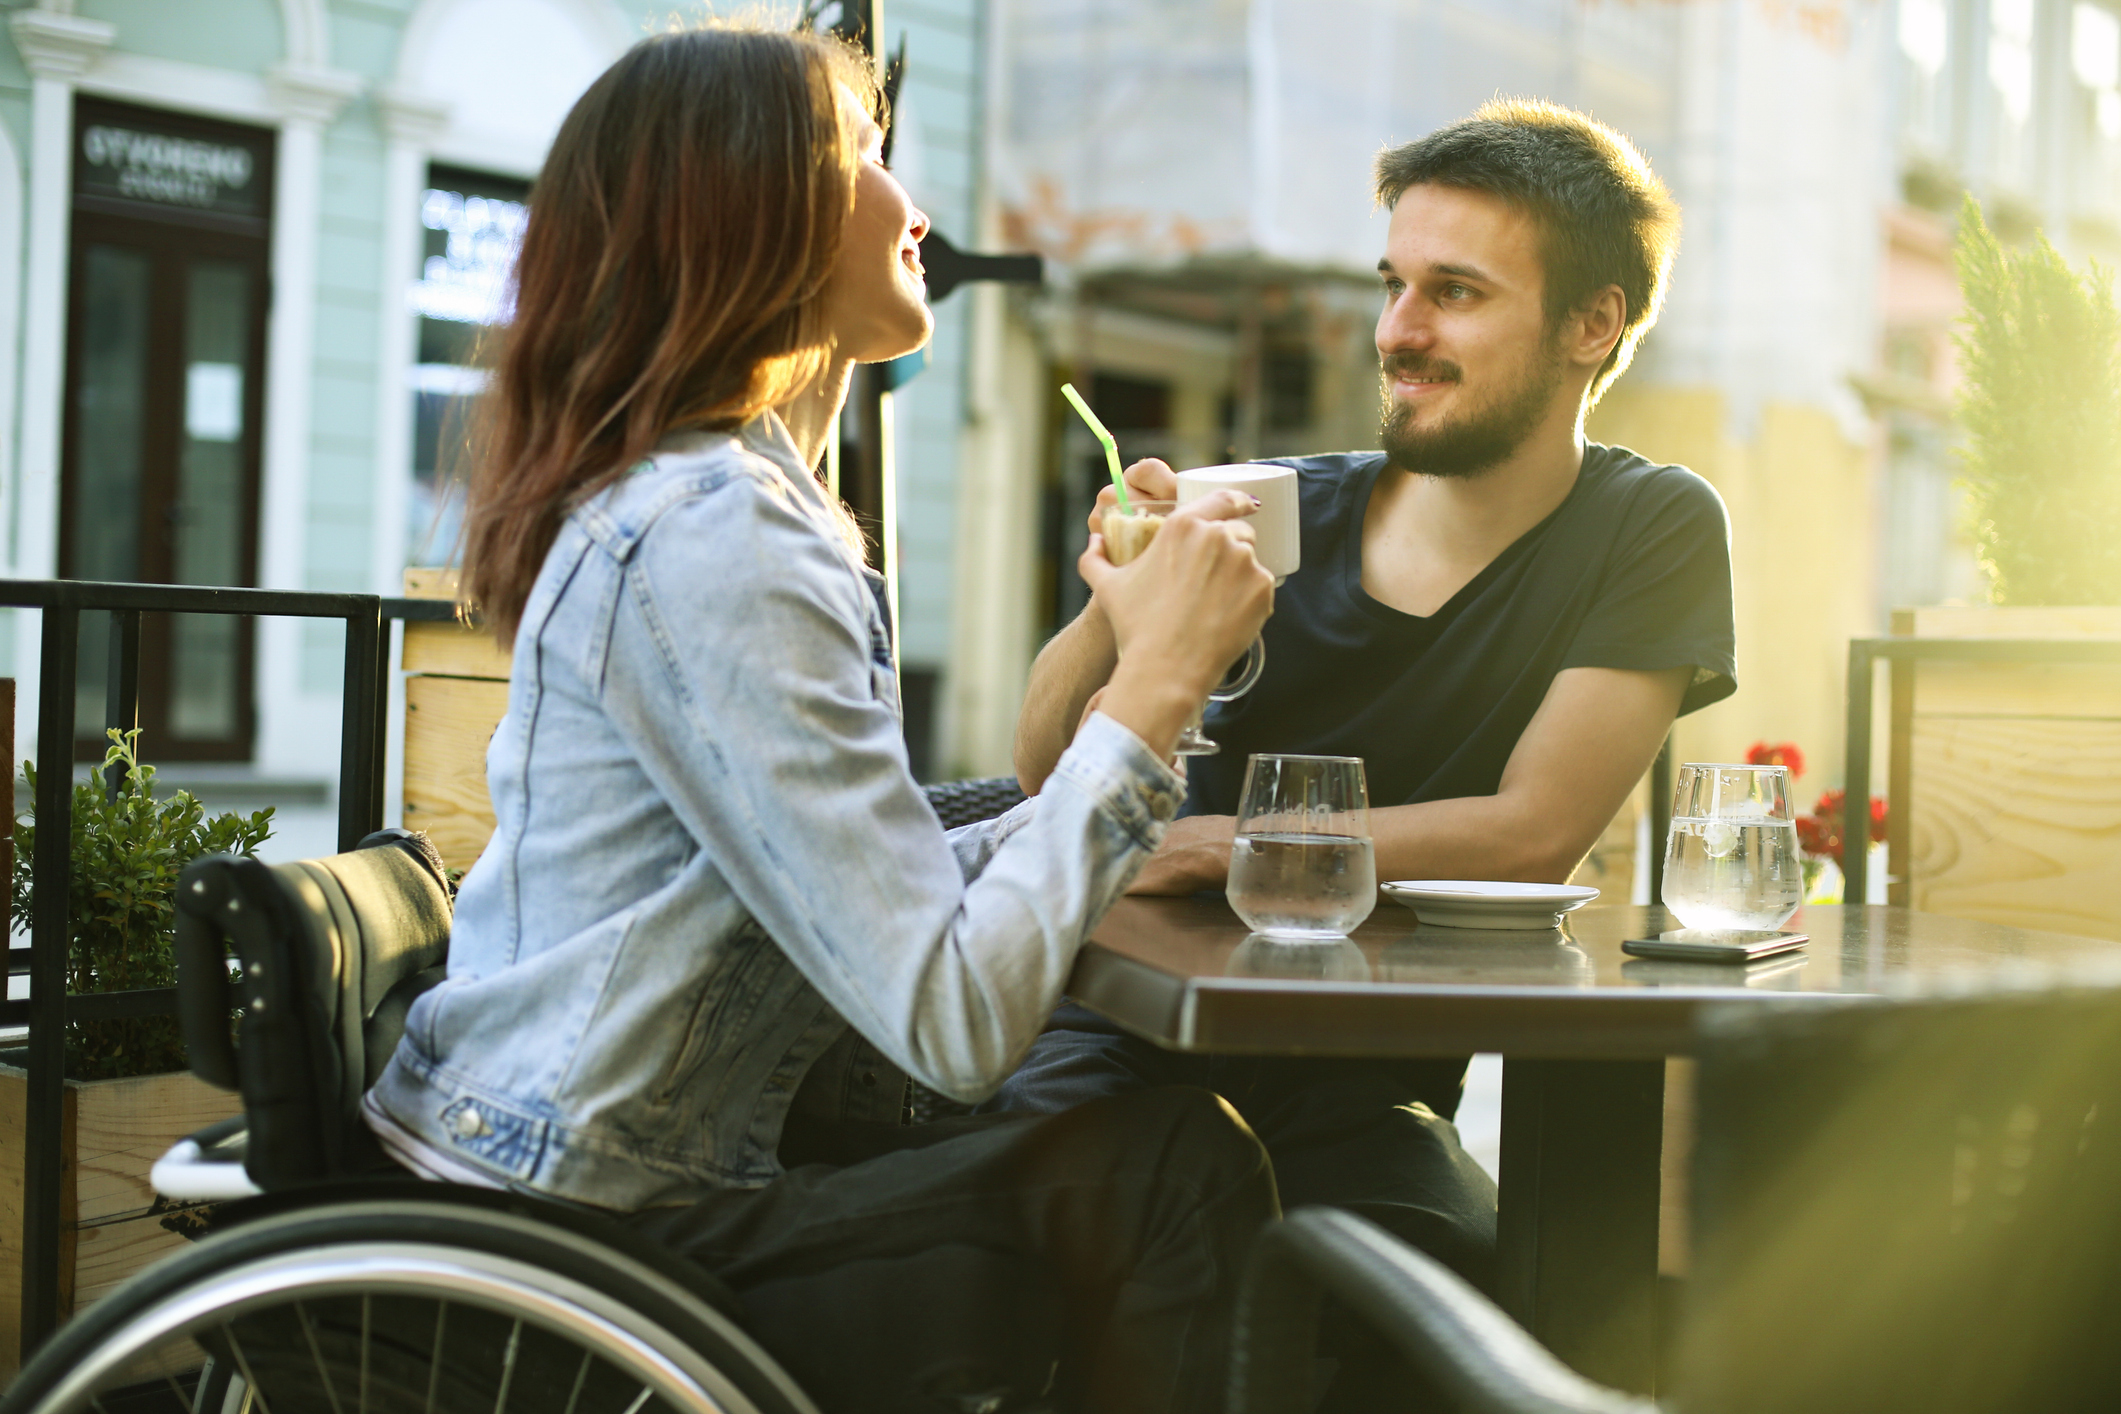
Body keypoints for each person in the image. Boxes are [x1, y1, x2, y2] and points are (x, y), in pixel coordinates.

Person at [362, 24, 1281, 1414]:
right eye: (858, 153)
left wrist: (1102, 793)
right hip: (584, 1234)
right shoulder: (720, 534)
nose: (912, 204)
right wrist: (1151, 689)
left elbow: (850, 873)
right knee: (1168, 1168)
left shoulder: (713, 498)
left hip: (548, 1157)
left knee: (1105, 1112)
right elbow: (953, 1013)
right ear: (747, 209)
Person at [1000, 99, 1737, 1409]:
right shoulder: (1283, 508)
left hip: (1352, 1090)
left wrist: (1223, 845)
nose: (1396, 330)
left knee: (1493, 1309)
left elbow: (1530, 828)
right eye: (1392, 286)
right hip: (1112, 1048)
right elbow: (1039, 770)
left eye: (1451, 293)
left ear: (1590, 325)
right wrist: (1110, 607)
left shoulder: (1647, 527)